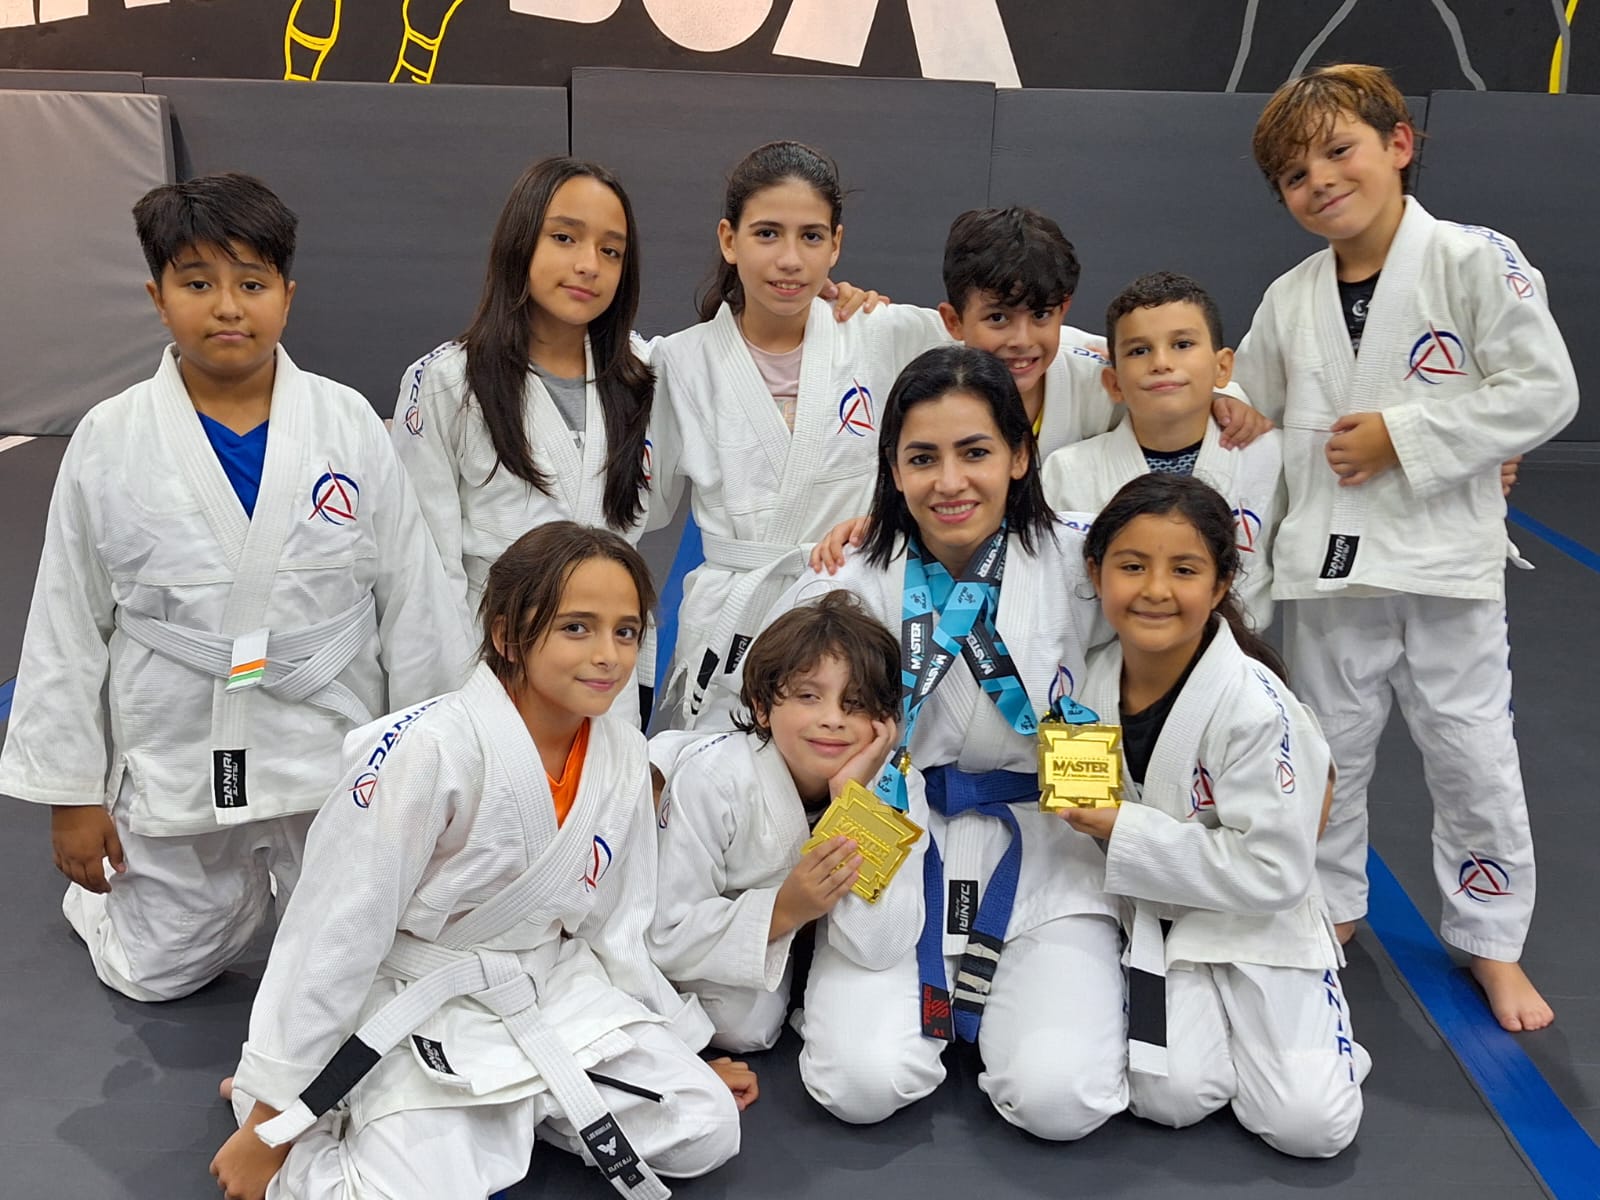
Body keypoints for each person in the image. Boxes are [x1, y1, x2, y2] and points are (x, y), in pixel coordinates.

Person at [0, 173, 471, 1004]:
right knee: (156, 976)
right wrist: (71, 795)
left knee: (357, 969)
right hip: (180, 748)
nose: (226, 307)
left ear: (287, 297)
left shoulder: (347, 423)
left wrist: (432, 765)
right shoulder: (110, 439)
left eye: (251, 284)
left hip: (325, 750)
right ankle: (127, 909)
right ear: (157, 297)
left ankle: (281, 893)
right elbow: (68, 620)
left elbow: (414, 602)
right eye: (197, 284)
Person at [210, 523, 743, 1200]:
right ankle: (322, 1106)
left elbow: (617, 925)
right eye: (577, 628)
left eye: (626, 631)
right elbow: (336, 933)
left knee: (705, 1127)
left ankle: (515, 1102)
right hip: (422, 999)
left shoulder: (621, 753)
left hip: (545, 986)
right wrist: (269, 1116)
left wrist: (679, 1042)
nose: (608, 655)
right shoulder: (431, 749)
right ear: (508, 636)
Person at [1232, 63, 1579, 1031]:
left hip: (1442, 564)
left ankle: (1491, 940)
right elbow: (1244, 411)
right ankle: (1330, 909)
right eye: (1295, 175)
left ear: (1398, 144)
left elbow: (1544, 390)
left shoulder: (1473, 261)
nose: (1320, 181)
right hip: (1328, 568)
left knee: (1473, 756)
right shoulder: (1289, 297)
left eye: (1338, 151)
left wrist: (1407, 436)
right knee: (1327, 754)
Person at [763, 344, 1125, 1141]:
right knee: (858, 1083)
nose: (949, 482)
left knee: (1060, 1099)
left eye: (975, 453)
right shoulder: (847, 577)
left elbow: (1162, 642)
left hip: (1048, 837)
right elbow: (773, 711)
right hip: (892, 827)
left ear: (1020, 455)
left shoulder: (1085, 562)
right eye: (922, 458)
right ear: (893, 470)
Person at [1064, 473, 1364, 1158]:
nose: (1155, 589)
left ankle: (1318, 1045)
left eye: (1184, 569)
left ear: (1222, 582)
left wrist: (1121, 828)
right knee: (1167, 1098)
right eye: (1131, 566)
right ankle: (1244, 1047)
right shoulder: (1086, 684)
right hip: (1162, 915)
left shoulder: (1254, 705)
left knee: (1311, 1127)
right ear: (1095, 572)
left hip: (1261, 919)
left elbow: (1275, 871)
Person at [649, 140, 949, 728]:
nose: (790, 259)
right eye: (767, 234)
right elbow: (644, 504)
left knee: (851, 764)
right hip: (736, 617)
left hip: (852, 603)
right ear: (729, 240)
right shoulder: (678, 361)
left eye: (811, 236)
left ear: (835, 245)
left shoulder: (879, 332)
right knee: (723, 772)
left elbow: (1010, 347)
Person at [392, 158, 661, 725]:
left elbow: (757, 348)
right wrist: (439, 711)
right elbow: (428, 568)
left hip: (606, 670)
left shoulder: (647, 372)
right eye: (564, 238)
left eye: (611, 251)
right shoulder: (448, 380)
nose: (588, 264)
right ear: (520, 242)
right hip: (492, 667)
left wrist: (840, 312)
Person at [648, 591, 928, 1053]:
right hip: (747, 918)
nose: (833, 719)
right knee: (741, 1026)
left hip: (811, 930)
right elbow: (667, 931)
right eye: (808, 696)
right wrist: (785, 910)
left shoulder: (898, 787)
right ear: (762, 707)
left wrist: (852, 805)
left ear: (885, 721)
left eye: (856, 703)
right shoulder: (714, 779)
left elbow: (882, 946)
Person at [1041, 272, 1284, 630]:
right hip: (1110, 656)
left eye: (1182, 344)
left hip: (1236, 653)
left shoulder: (1270, 456)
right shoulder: (1068, 471)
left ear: (1222, 367)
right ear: (1114, 383)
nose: (1161, 362)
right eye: (1139, 350)